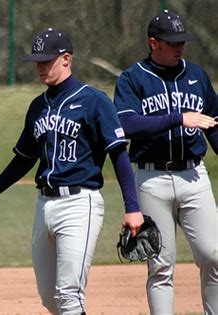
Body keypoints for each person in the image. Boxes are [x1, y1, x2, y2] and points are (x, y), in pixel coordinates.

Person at [0, 28, 144, 314]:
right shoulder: (37, 107)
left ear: (66, 58)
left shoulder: (94, 100)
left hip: (80, 204)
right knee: (50, 298)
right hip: (43, 205)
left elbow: (118, 154)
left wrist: (133, 207)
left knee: (69, 295)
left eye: (47, 60)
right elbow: (23, 159)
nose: (40, 66)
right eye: (37, 61)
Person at [113, 10, 218, 314]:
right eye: (172, 42)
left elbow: (212, 123)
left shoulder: (196, 75)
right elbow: (128, 125)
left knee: (213, 256)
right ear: (152, 43)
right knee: (160, 265)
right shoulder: (133, 79)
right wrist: (177, 118)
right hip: (152, 180)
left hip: (194, 177)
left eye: (182, 41)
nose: (179, 47)